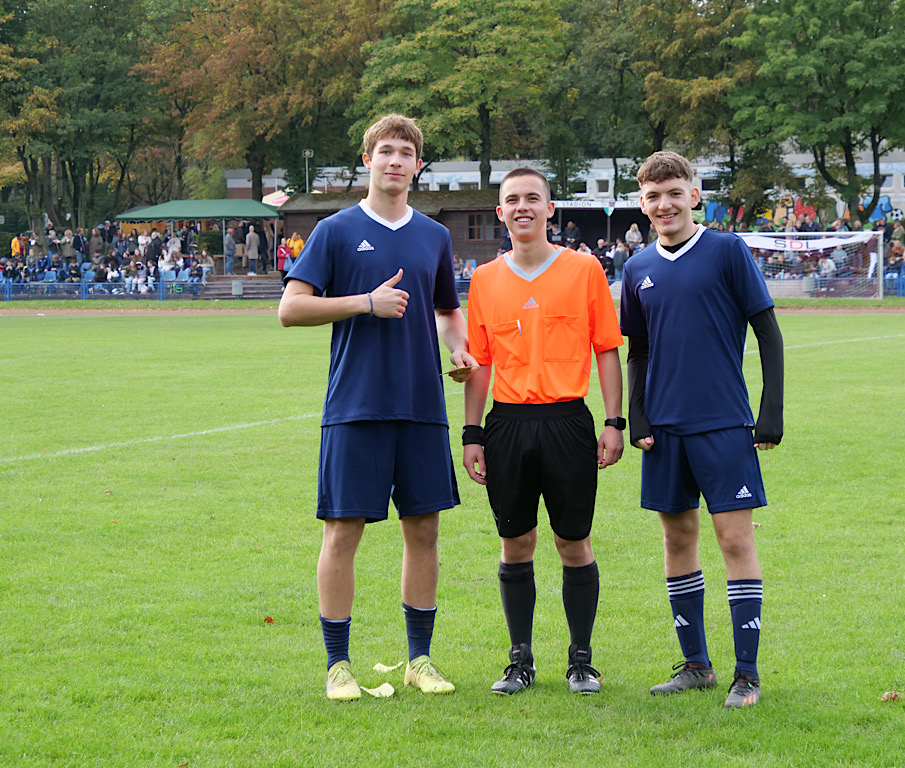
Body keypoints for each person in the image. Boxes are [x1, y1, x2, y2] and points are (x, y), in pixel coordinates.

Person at [278, 113, 476, 703]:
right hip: (355, 406)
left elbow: (446, 310)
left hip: (420, 407)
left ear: (418, 165)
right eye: (386, 150)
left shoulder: (434, 235)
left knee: (425, 531)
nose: (395, 160)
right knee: (343, 533)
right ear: (367, 160)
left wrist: (459, 347)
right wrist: (365, 302)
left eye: (406, 153)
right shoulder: (335, 230)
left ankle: (420, 660)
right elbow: (291, 308)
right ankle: (338, 666)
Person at [620, 151, 784, 710]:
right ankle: (696, 665)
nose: (664, 204)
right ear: (642, 205)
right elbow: (638, 350)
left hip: (723, 423)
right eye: (652, 196)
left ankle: (747, 674)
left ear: (694, 195)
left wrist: (771, 411)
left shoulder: (727, 250)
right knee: (677, 539)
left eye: (674, 193)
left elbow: (768, 332)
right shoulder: (637, 268)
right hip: (664, 429)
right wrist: (638, 414)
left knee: (735, 540)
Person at [462, 167, 624, 696]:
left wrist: (614, 421)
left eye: (533, 197)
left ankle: (581, 660)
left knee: (573, 542)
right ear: (501, 212)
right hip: (507, 425)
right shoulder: (485, 280)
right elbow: (480, 363)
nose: (523, 207)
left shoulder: (584, 270)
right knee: (515, 543)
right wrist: (471, 433)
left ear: (550, 209)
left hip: (567, 422)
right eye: (512, 199)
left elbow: (606, 348)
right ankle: (520, 660)